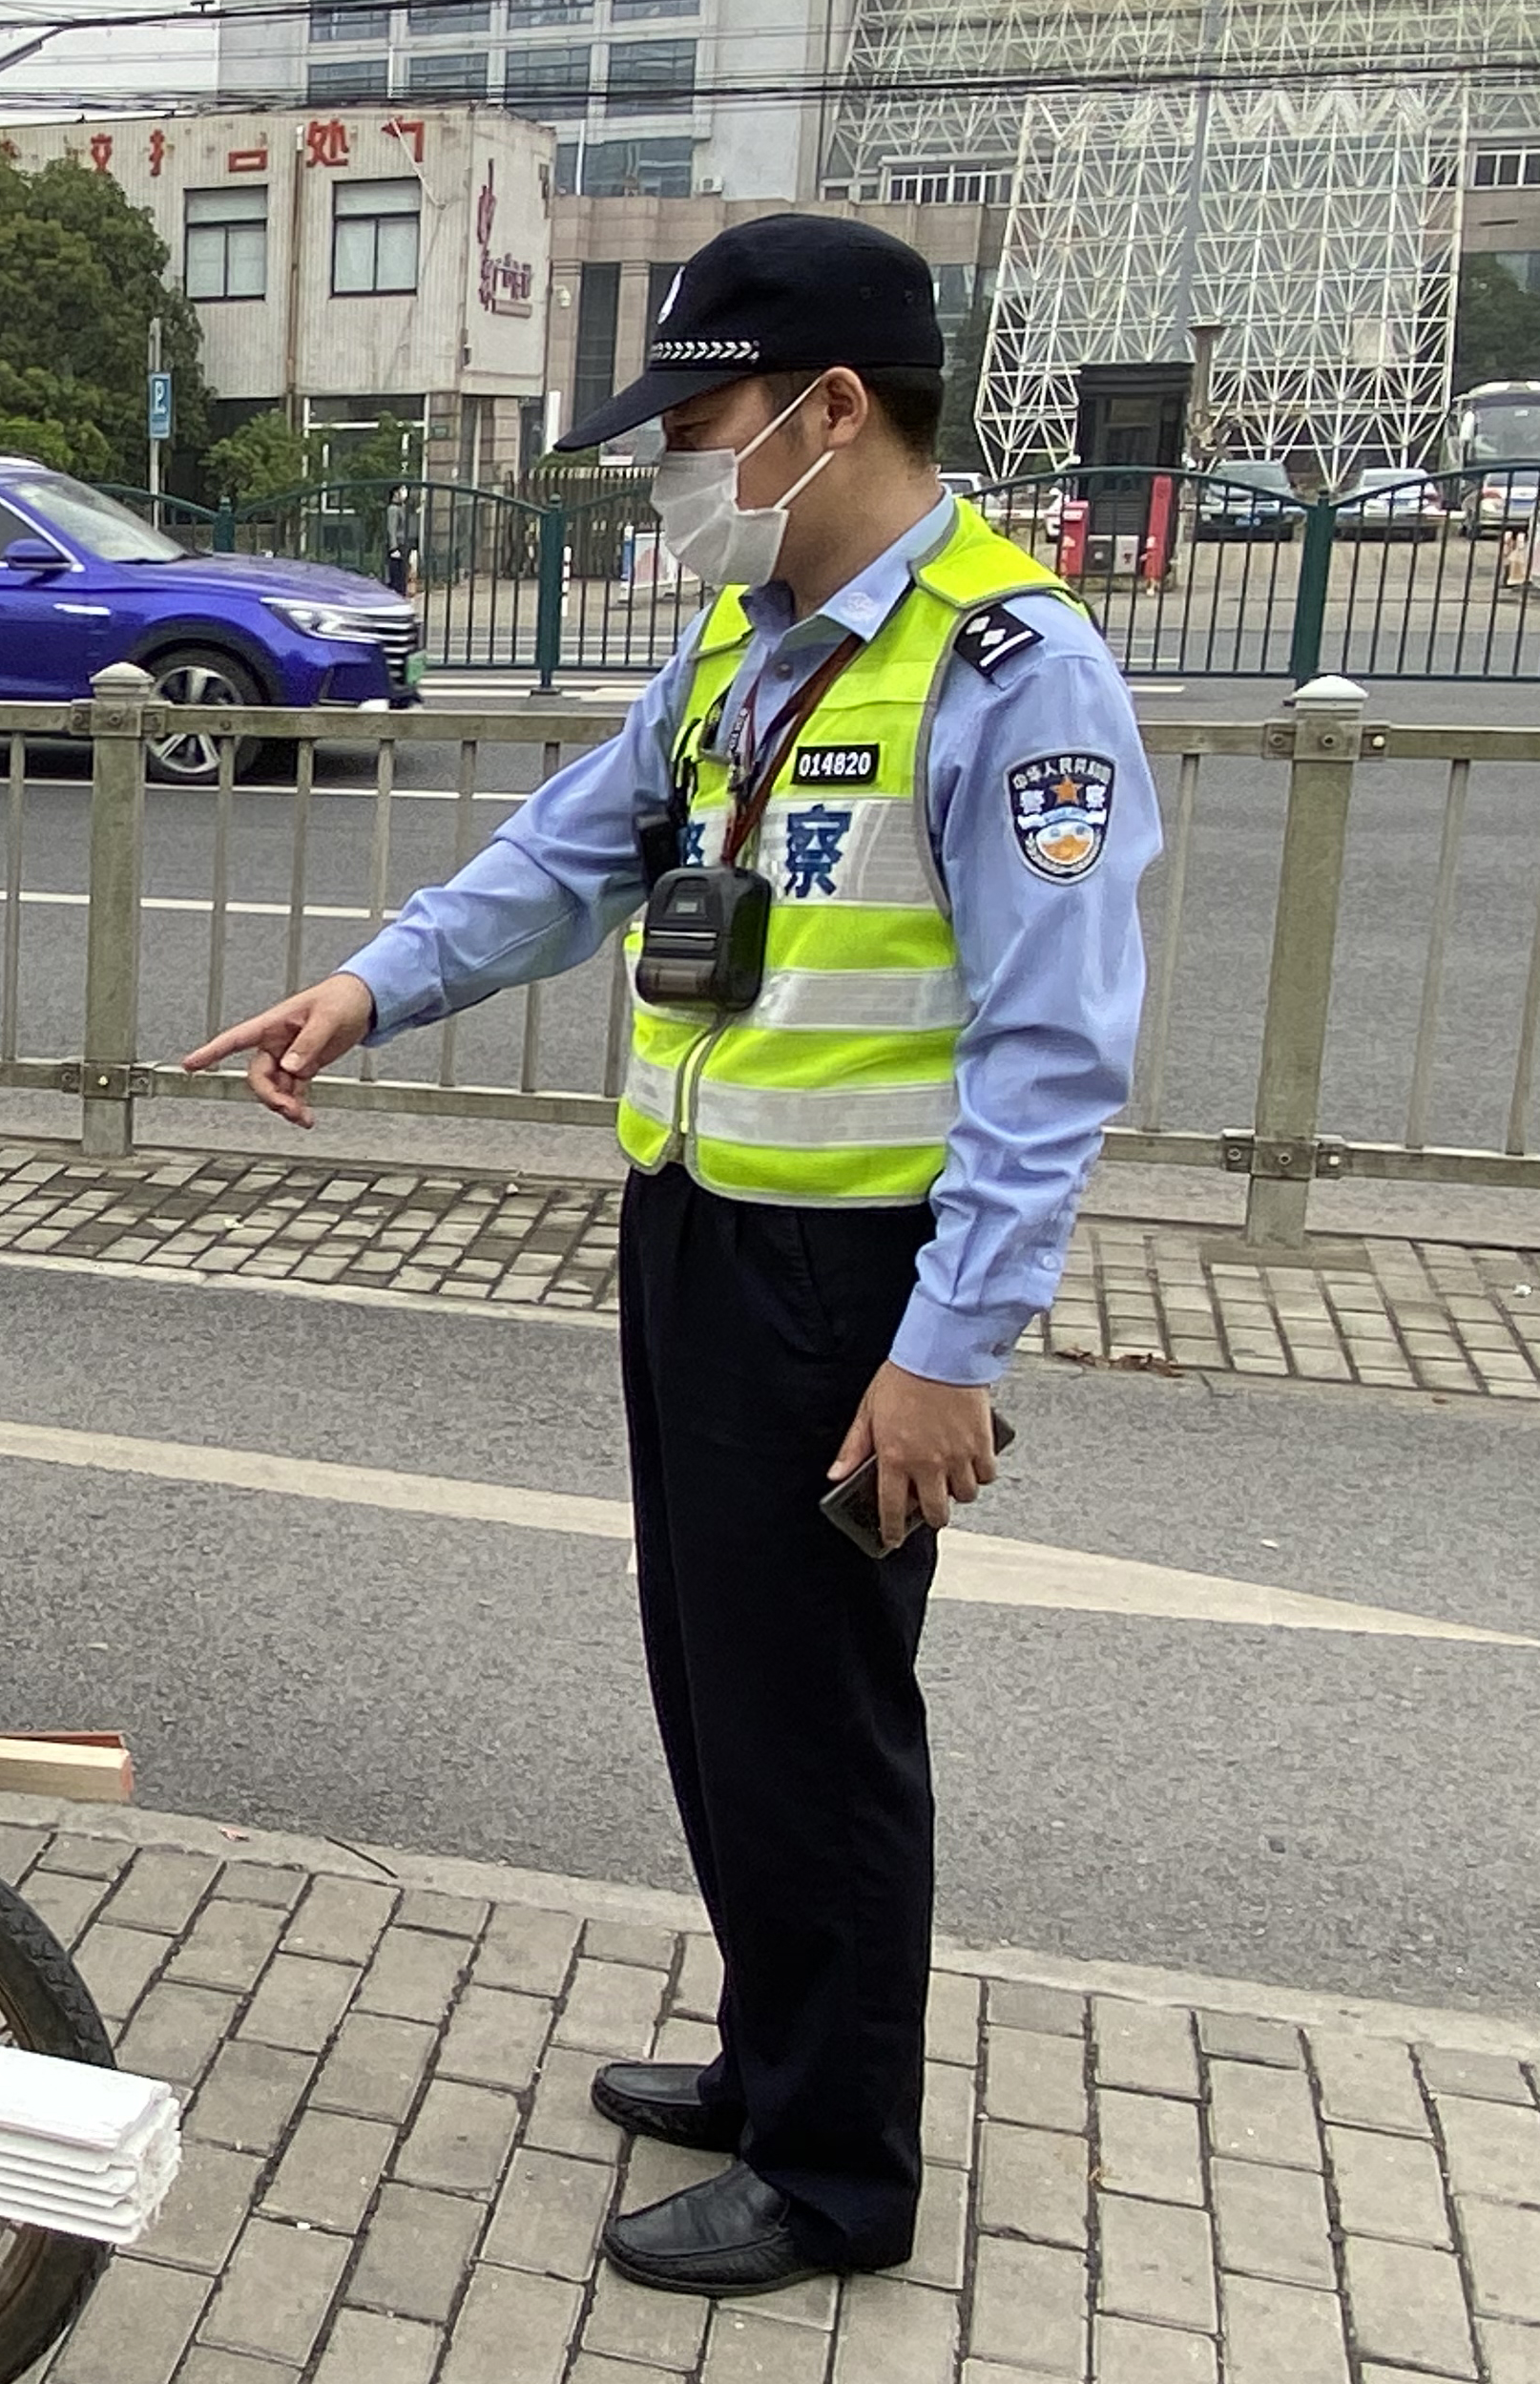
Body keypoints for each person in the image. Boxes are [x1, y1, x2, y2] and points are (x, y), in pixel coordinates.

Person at [185, 218, 1156, 2297]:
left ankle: (833, 2171)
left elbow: (1053, 1051)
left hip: (857, 1280)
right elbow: (569, 853)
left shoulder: (1012, 667)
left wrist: (946, 1347)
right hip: (697, 1238)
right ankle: (765, 2048)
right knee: (719, 1687)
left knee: (815, 1717)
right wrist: (367, 988)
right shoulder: (746, 637)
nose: (668, 473)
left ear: (828, 411)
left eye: (696, 428)